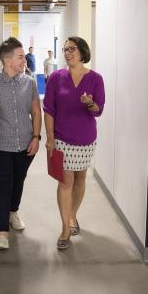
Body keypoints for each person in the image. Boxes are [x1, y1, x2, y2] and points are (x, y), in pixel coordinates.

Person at [0, 37, 42, 251]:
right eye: (21, 57)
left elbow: (36, 112)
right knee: (2, 187)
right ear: (7, 59)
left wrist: (36, 137)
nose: (25, 61)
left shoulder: (29, 82)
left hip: (25, 146)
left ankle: (13, 212)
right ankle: (2, 234)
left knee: (18, 182)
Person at [43, 36, 105, 250]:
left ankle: (73, 216)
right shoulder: (56, 78)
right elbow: (49, 109)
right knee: (65, 182)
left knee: (80, 179)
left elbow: (99, 110)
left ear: (82, 52)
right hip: (62, 138)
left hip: (86, 139)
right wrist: (50, 138)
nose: (67, 53)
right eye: (65, 49)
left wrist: (90, 104)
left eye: (72, 49)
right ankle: (65, 228)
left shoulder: (96, 79)